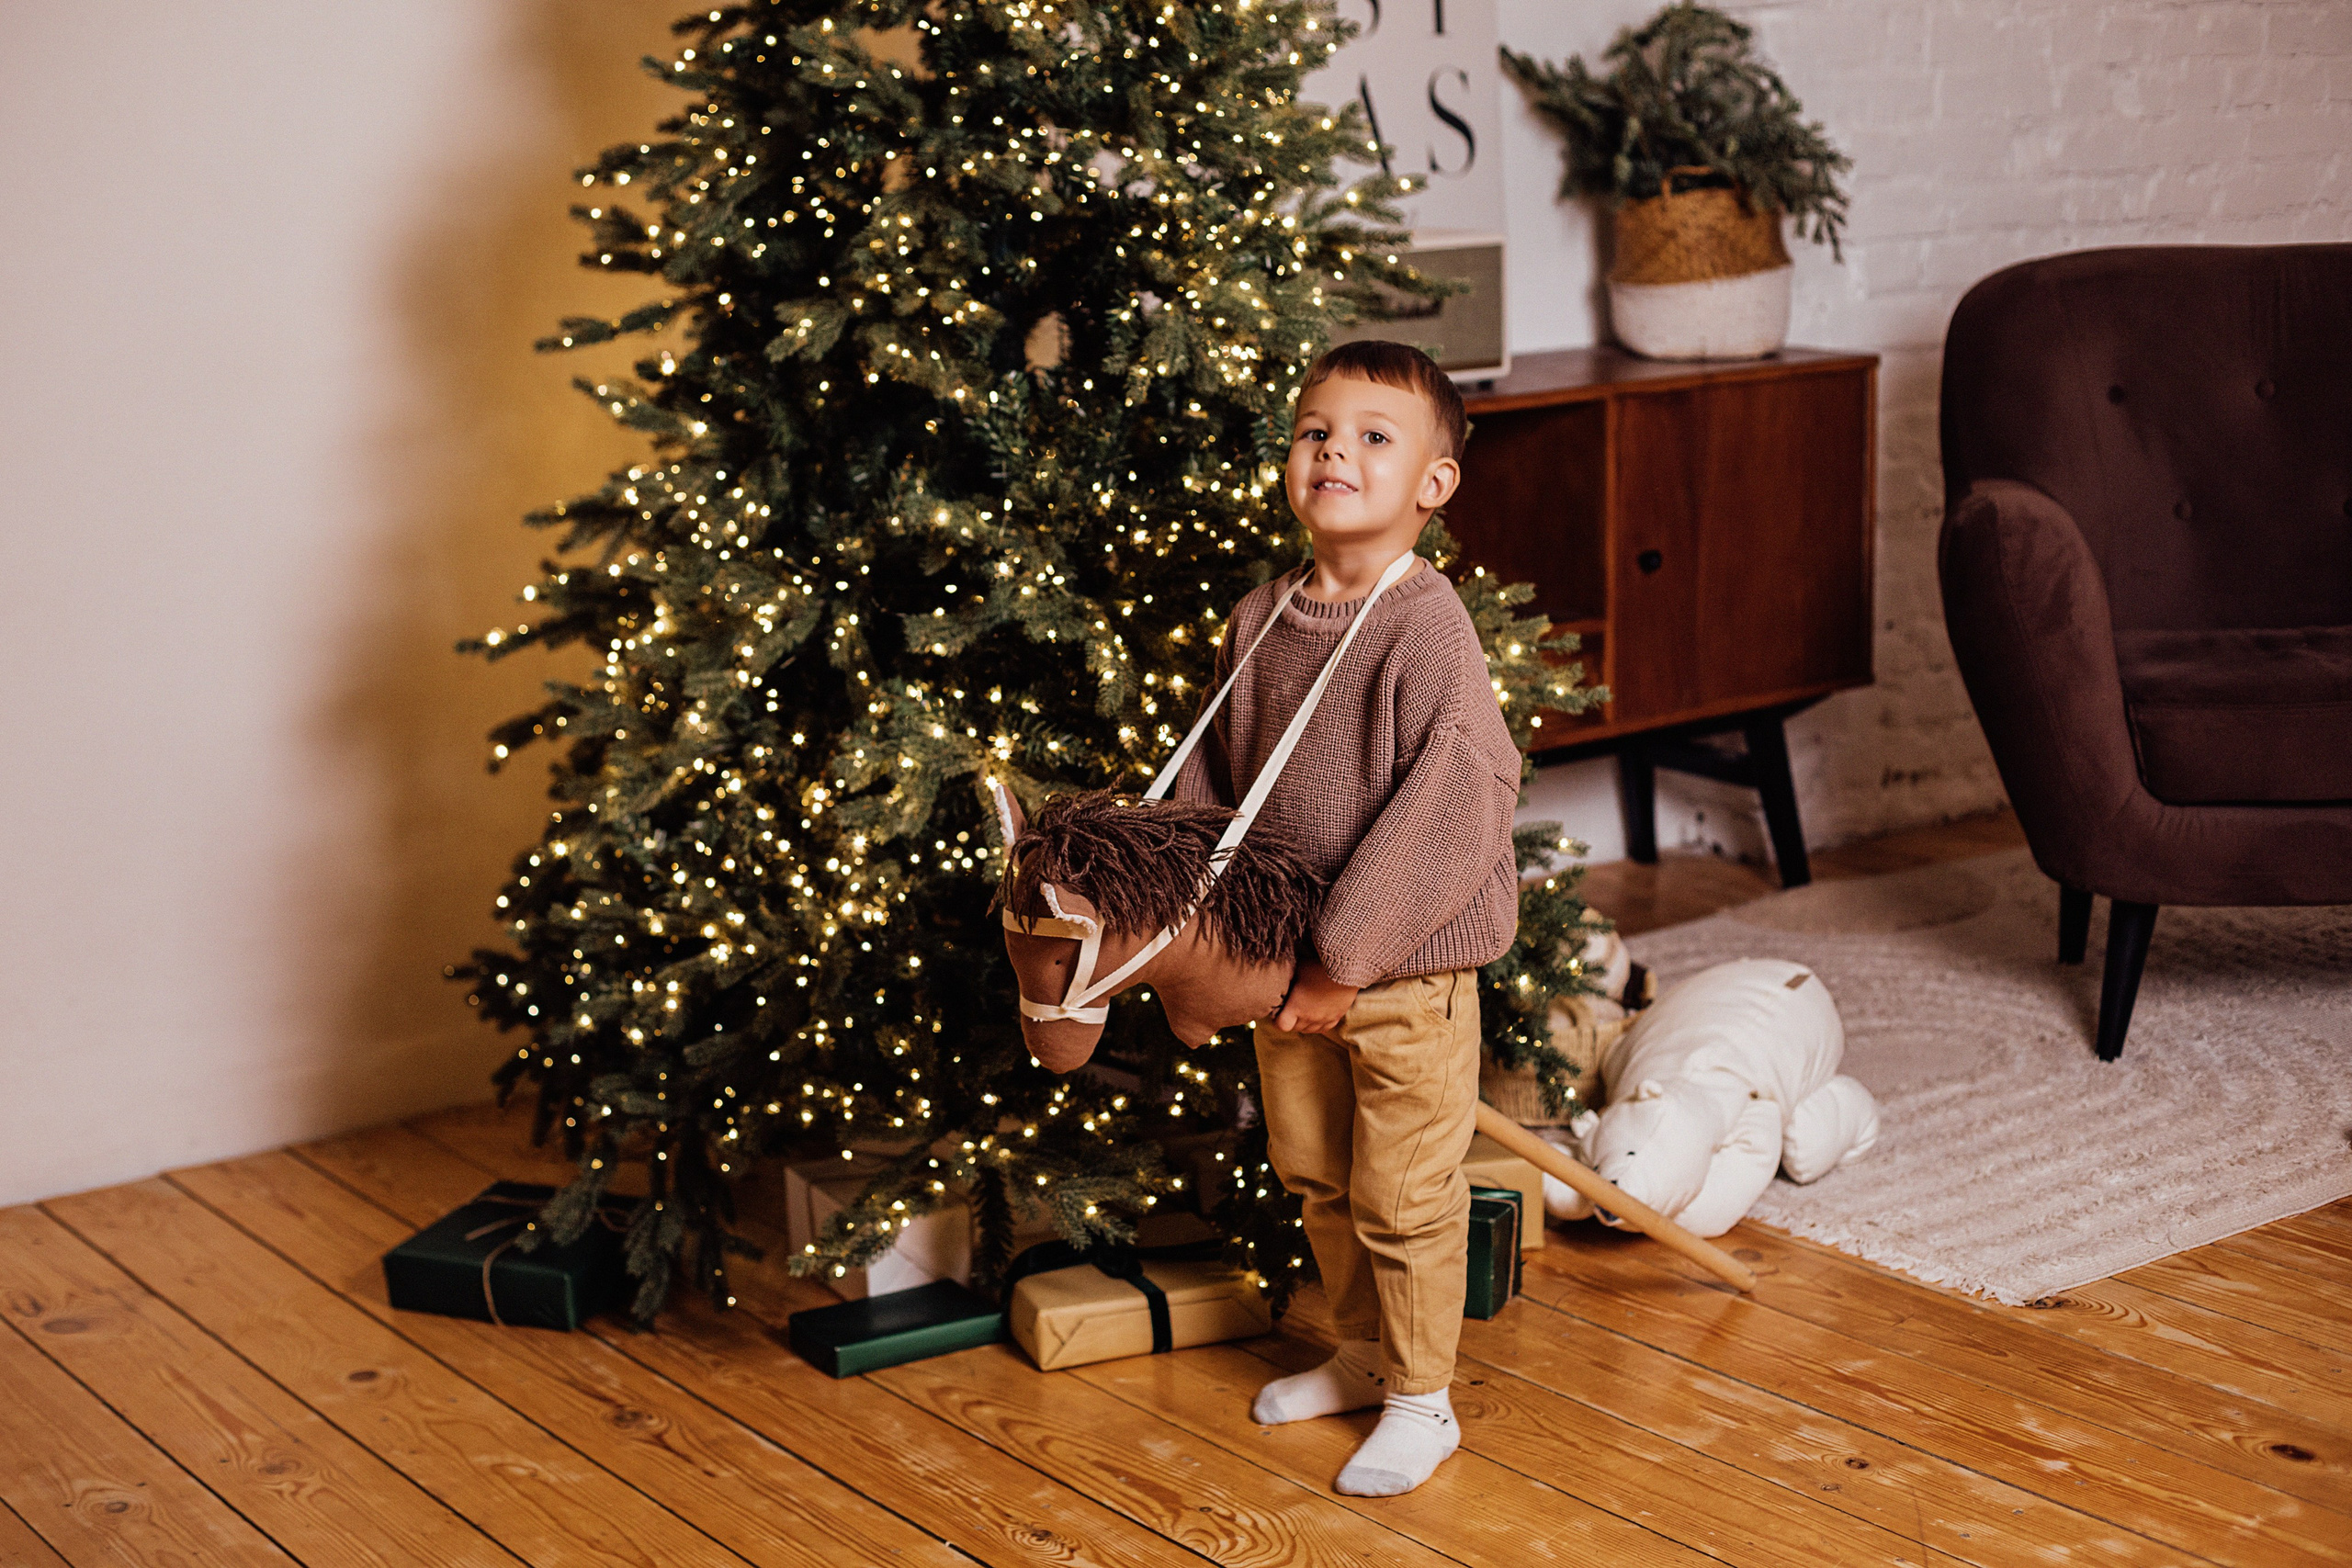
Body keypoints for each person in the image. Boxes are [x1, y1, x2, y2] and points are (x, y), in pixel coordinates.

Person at [1172, 339, 1521, 1496]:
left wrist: (1341, 962)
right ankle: (1364, 1355)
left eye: (1376, 437)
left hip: (1401, 975)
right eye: (1317, 430)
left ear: (1433, 484)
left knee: (1403, 1191)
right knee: (1317, 1173)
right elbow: (1208, 788)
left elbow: (1450, 805)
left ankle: (1424, 1402)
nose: (1336, 452)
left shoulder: (1424, 628)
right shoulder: (1261, 619)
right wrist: (1200, 940)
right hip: (1282, 975)